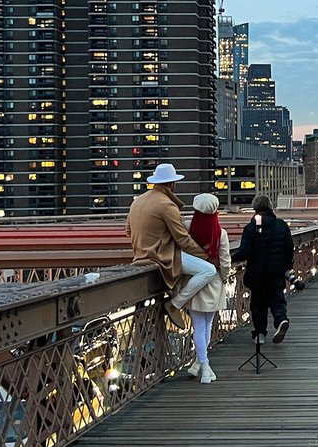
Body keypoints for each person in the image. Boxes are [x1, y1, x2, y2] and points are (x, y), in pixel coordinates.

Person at [126, 162, 217, 330]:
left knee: (192, 268)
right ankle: (175, 304)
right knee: (208, 270)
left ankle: (175, 296)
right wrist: (206, 256)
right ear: (171, 183)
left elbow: (128, 230)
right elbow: (183, 240)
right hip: (162, 256)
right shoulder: (167, 205)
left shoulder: (137, 202)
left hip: (140, 255)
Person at [234, 193, 295, 344]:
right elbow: (289, 248)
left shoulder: (251, 227)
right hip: (276, 270)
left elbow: (245, 251)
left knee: (258, 303)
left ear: (255, 208)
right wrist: (287, 267)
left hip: (257, 272)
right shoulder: (281, 225)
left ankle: (260, 334)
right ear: (270, 207)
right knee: (277, 299)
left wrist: (230, 258)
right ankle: (281, 320)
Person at [185, 193, 232, 384]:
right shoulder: (220, 233)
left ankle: (200, 363)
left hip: (192, 281)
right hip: (213, 281)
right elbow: (225, 261)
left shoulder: (187, 228)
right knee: (207, 325)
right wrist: (224, 278)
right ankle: (204, 365)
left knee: (198, 326)